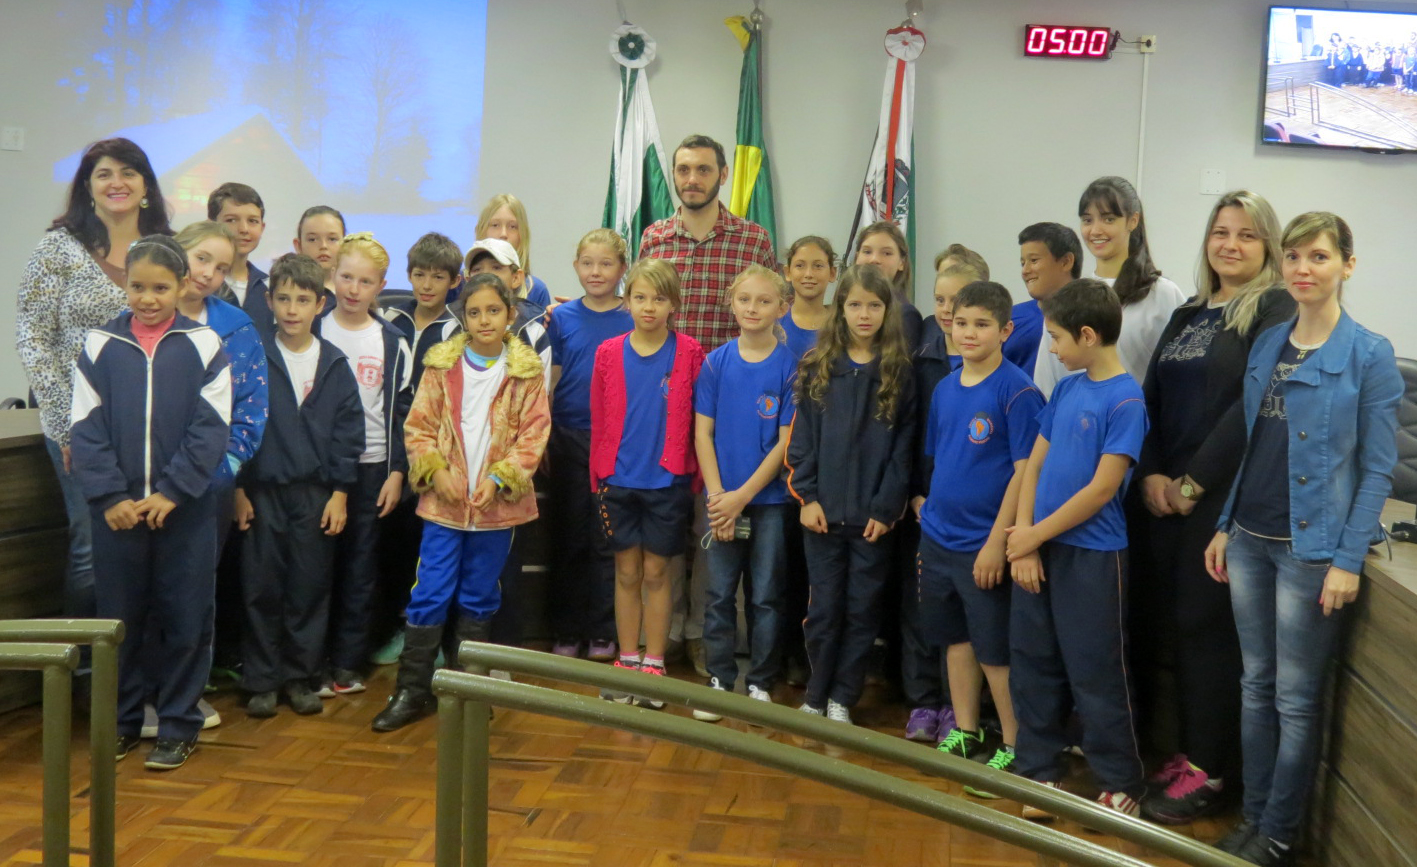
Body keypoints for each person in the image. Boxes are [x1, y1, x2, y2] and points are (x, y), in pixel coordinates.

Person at [1204, 212, 1402, 866]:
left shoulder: (1367, 354)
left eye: (1317, 256)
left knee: (1292, 697)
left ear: (1346, 264)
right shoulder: (1268, 344)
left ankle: (1279, 833)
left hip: (1307, 552)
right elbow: (1253, 444)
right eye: (1292, 256)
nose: (1301, 269)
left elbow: (1375, 467)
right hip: (1249, 539)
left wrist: (1347, 559)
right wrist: (1223, 522)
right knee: (1254, 685)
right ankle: (1254, 816)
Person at [1133, 192, 1296, 826]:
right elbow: (1148, 394)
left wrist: (1192, 485)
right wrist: (1149, 473)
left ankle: (1212, 770)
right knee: (1178, 628)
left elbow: (1250, 406)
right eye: (1220, 232)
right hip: (1162, 494)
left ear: (1269, 248)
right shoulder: (1191, 311)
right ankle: (1189, 752)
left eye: (1247, 235)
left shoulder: (1273, 307)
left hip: (1221, 499)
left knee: (1208, 634)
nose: (1230, 244)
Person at [70, 235, 230, 770]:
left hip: (184, 513)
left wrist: (173, 491)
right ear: (125, 283)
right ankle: (121, 722)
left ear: (182, 286)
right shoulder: (99, 346)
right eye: (138, 286)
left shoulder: (205, 346)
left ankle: (179, 723)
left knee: (186, 617)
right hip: (116, 516)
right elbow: (85, 429)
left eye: (161, 287)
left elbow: (211, 430)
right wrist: (111, 496)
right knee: (120, 621)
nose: (148, 297)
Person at [371, 272, 551, 732]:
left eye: (494, 310)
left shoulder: (525, 373)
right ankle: (413, 689)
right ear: (462, 317)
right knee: (429, 592)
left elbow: (533, 437)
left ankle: (468, 690)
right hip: (444, 506)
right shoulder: (441, 366)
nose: (484, 319)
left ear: (511, 315)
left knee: (479, 595)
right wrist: (436, 470)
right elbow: (418, 428)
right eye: (474, 312)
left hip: (496, 509)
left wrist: (500, 477)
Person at [1005, 278, 1148, 819]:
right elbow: (1034, 465)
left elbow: (1102, 489)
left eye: (1057, 338)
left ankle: (1120, 781)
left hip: (1092, 557)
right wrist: (1023, 541)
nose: (1053, 349)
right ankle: (1039, 771)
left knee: (1095, 670)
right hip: (1036, 550)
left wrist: (1035, 535)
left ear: (1088, 335)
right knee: (1033, 662)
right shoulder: (1066, 389)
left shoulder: (1126, 399)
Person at [17, 137, 173, 628]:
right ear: (87, 186)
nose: (116, 183)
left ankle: (134, 675)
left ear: (145, 185)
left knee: (146, 550)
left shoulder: (167, 250)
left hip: (148, 426)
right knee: (91, 546)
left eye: (128, 172)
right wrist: (66, 429)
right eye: (104, 173)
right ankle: (83, 675)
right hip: (80, 429)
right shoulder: (58, 248)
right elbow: (33, 338)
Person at [638, 133, 776, 674]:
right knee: (666, 524)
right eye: (683, 169)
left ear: (722, 174)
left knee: (711, 520)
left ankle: (703, 631)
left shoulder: (752, 240)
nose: (691, 179)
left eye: (702, 169)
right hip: (663, 406)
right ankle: (664, 628)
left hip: (727, 410)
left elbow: (764, 319)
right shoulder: (654, 237)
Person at [917, 281, 1043, 796]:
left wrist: (998, 542)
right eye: (961, 322)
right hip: (938, 538)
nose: (968, 332)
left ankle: (1013, 745)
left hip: (982, 543)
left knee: (994, 650)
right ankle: (966, 732)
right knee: (955, 639)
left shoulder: (1017, 391)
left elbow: (1024, 473)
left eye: (981, 324)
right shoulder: (945, 387)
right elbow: (939, 458)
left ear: (1004, 330)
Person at [785, 264, 915, 725]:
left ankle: (843, 697)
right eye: (855, 304)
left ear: (888, 311)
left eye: (874, 305)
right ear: (839, 309)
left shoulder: (900, 372)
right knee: (823, 610)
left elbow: (903, 451)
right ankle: (816, 694)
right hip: (822, 517)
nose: (864, 314)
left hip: (872, 522)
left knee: (862, 613)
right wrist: (809, 497)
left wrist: (885, 508)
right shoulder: (819, 366)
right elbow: (801, 442)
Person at [237, 254, 363, 718]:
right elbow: (238, 423)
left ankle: (300, 676)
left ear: (320, 304)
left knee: (308, 587)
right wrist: (238, 489)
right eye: (283, 298)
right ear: (269, 301)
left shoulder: (334, 363)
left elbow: (349, 433)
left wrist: (340, 493)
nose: (292, 309)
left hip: (316, 495)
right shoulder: (254, 356)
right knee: (261, 586)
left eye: (303, 300)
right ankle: (262, 679)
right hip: (263, 492)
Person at [590, 258, 704, 707]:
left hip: (666, 482)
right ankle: (628, 658)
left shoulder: (690, 352)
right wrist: (597, 475)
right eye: (640, 297)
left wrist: (690, 474)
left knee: (658, 572)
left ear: (674, 304)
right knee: (626, 571)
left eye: (659, 298)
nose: (649, 307)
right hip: (617, 480)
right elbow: (599, 419)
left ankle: (655, 661)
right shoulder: (608, 353)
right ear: (627, 300)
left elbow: (698, 419)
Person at [692, 264, 797, 721]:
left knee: (767, 595)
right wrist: (719, 497)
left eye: (764, 301)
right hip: (720, 502)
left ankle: (760, 682)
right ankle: (718, 679)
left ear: (782, 307)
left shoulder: (791, 367)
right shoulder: (716, 362)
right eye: (745, 300)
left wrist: (742, 497)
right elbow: (702, 434)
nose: (753, 309)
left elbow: (786, 442)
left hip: (770, 503)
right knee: (718, 594)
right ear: (731, 303)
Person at [317, 232, 413, 695]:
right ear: (331, 276)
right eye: (346, 277)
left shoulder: (392, 340)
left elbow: (400, 412)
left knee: (360, 568)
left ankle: (348, 662)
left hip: (373, 467)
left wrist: (397, 471)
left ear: (381, 286)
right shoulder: (313, 329)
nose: (353, 289)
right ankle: (310, 658)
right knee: (316, 568)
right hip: (317, 471)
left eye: (366, 281)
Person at [900, 258, 983, 743]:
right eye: (942, 300)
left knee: (969, 622)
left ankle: (961, 710)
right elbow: (914, 437)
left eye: (961, 299)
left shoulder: (1002, 373)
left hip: (972, 522)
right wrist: (915, 492)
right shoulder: (922, 359)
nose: (950, 311)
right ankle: (924, 702)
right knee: (921, 611)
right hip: (924, 510)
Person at [545, 229, 634, 661]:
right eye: (587, 263)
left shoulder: (633, 316)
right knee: (570, 537)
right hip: (568, 438)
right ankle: (566, 627)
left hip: (617, 444)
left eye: (605, 264)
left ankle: (603, 631)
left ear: (622, 268)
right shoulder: (560, 319)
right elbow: (553, 379)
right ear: (576, 266)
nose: (595, 272)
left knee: (607, 540)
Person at [1035, 177, 1184, 398]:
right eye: (1087, 220)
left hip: (1138, 426)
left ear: (1133, 221)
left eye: (1108, 219)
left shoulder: (1162, 294)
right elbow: (1047, 381)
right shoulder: (1065, 298)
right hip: (1075, 426)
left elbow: (1180, 376)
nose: (1095, 230)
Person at [382, 232, 465, 394]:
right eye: (419, 275)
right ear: (409, 275)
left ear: (454, 281)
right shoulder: (390, 318)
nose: (426, 285)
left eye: (438, 277)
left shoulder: (458, 330)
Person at [1014, 223, 1083, 375]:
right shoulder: (1011, 319)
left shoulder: (1091, 317)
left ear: (1066, 262)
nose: (1025, 271)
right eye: (1022, 263)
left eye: (1034, 261)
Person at [208, 182, 271, 326]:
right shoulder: (200, 283)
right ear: (210, 225)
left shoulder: (269, 286)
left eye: (252, 221)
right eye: (231, 220)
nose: (243, 229)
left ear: (262, 227)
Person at [854, 221, 923, 350]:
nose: (874, 259)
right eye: (867, 252)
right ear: (857, 257)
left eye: (886, 253)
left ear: (901, 263)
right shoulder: (843, 304)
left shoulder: (905, 315)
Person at [475, 194, 552, 307]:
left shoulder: (536, 289)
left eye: (512, 227)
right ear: (481, 230)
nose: (503, 234)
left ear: (522, 235)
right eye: (495, 225)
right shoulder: (459, 283)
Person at [781, 235, 837, 361]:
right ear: (788, 272)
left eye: (818, 266)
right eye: (800, 266)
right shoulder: (774, 323)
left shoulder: (841, 324)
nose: (809, 274)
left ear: (832, 273)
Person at [293, 206, 346, 292]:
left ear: (345, 244)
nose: (323, 246)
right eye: (312, 239)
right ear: (298, 245)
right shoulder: (284, 291)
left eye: (332, 239)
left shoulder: (356, 293)